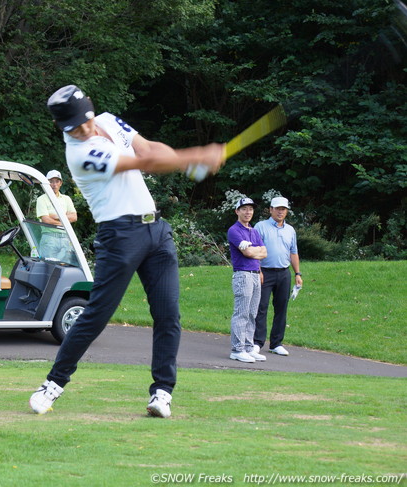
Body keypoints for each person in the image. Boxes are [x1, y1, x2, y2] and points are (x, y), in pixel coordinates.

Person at [29, 84, 224, 418]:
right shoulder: (79, 155)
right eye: (74, 127)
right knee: (96, 316)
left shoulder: (108, 121)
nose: (84, 129)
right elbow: (145, 161)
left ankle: (162, 393)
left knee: (168, 315)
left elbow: (149, 147)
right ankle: (53, 383)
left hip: (157, 232)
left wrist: (181, 157)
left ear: (91, 109)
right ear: (63, 128)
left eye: (85, 120)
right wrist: (195, 156)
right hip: (119, 236)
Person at [254, 196, 303, 356]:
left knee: (281, 308)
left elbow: (293, 252)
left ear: (287, 211)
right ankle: (257, 342)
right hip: (265, 272)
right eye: (277, 209)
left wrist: (297, 273)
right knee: (261, 307)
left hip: (284, 273)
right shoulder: (261, 226)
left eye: (283, 209)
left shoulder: (290, 230)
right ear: (271, 210)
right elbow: (255, 251)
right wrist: (258, 270)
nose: (280, 212)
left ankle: (276, 343)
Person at [227, 197, 268, 363]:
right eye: (244, 209)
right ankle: (237, 349)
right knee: (241, 312)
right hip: (243, 274)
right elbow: (248, 253)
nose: (248, 212)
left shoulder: (254, 231)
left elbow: (264, 252)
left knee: (252, 313)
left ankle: (249, 348)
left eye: (250, 209)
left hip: (255, 273)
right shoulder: (234, 230)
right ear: (237, 211)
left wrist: (254, 250)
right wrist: (253, 250)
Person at [35, 169, 78, 261]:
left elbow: (74, 217)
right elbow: (46, 220)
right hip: (49, 237)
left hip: (66, 237)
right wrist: (65, 221)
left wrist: (56, 216)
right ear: (46, 183)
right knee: (47, 267)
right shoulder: (41, 199)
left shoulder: (66, 199)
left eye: (56, 181)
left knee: (65, 268)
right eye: (51, 182)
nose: (54, 184)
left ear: (60, 183)